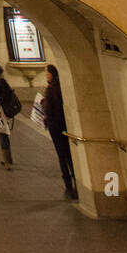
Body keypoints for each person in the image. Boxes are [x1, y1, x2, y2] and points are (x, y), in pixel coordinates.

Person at [41, 64, 78, 199]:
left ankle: (69, 187)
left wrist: (44, 105)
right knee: (69, 155)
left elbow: (49, 109)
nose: (46, 76)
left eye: (47, 73)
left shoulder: (51, 90)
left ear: (51, 74)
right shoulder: (61, 87)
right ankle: (77, 184)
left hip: (55, 126)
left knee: (62, 156)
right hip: (64, 125)